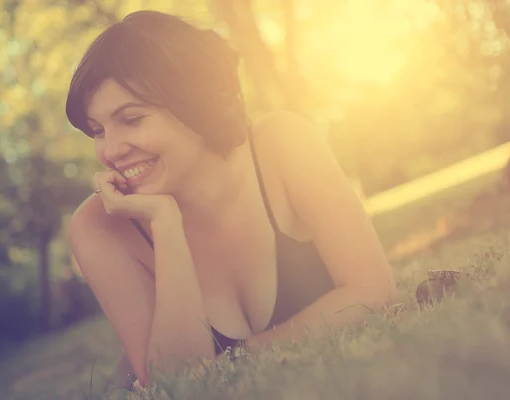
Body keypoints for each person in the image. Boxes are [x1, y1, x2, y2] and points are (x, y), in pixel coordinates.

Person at [65, 10, 398, 389]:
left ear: (192, 101)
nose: (111, 150)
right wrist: (166, 225)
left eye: (132, 119)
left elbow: (374, 288)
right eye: (97, 131)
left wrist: (240, 357)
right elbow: (173, 382)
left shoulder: (283, 144)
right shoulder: (98, 228)